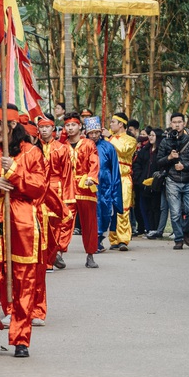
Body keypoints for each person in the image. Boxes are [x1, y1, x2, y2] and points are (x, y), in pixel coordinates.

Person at [0, 105, 47, 358]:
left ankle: (21, 339)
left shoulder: (32, 152)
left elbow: (38, 187)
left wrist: (13, 172)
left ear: (13, 126)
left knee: (24, 284)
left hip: (22, 222)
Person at [156, 113, 189, 249]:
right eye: (174, 122)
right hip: (172, 180)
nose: (177, 124)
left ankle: (186, 231)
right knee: (175, 212)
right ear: (171, 124)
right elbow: (159, 162)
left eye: (179, 122)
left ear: (184, 123)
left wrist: (185, 166)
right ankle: (179, 238)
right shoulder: (165, 141)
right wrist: (169, 157)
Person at [63, 112, 100, 268]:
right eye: (67, 125)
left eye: (73, 125)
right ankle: (59, 251)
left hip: (85, 187)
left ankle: (90, 254)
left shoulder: (88, 144)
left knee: (89, 223)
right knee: (64, 220)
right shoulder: (62, 145)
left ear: (79, 126)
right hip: (66, 188)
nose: (70, 128)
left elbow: (94, 161)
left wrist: (92, 176)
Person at [37, 116, 73, 270]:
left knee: (54, 226)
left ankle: (50, 260)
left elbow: (67, 173)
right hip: (38, 188)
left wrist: (67, 196)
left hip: (56, 188)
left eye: (47, 127)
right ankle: (42, 258)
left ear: (53, 129)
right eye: (41, 127)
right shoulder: (33, 147)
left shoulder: (61, 148)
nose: (44, 130)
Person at [107, 113, 137, 251]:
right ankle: (113, 239)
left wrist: (110, 138)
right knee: (110, 209)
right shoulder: (109, 139)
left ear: (121, 124)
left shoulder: (131, 140)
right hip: (110, 178)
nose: (111, 124)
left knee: (123, 208)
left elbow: (123, 151)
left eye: (113, 122)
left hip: (124, 178)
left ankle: (123, 239)